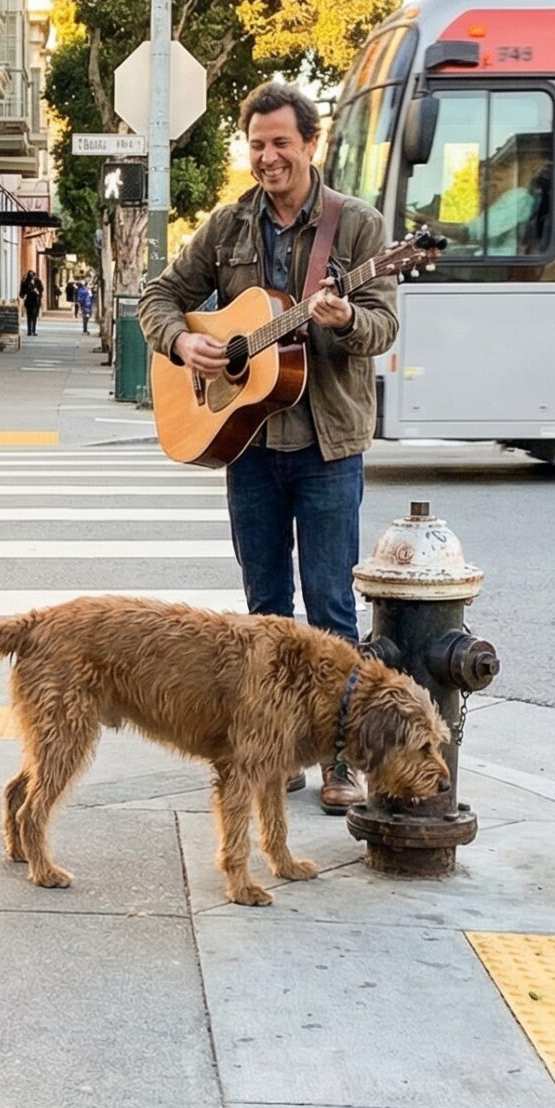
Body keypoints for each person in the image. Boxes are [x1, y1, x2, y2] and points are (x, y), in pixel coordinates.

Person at [141, 81, 399, 813]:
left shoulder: (357, 228)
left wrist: (345, 317)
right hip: (247, 441)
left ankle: (340, 760)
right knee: (263, 612)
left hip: (326, 443)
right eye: (256, 144)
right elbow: (159, 295)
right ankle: (276, 747)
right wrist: (185, 338)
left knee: (330, 613)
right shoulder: (228, 226)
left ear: (310, 144)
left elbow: (382, 327)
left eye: (281, 142)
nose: (267, 156)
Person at [20, 269, 43, 336]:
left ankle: (34, 330)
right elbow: (22, 292)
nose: (31, 277)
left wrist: (37, 292)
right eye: (30, 276)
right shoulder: (25, 282)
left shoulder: (37, 282)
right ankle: (29, 331)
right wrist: (24, 296)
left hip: (35, 301)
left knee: (34, 315)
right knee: (29, 316)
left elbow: (41, 290)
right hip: (28, 301)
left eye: (32, 276)